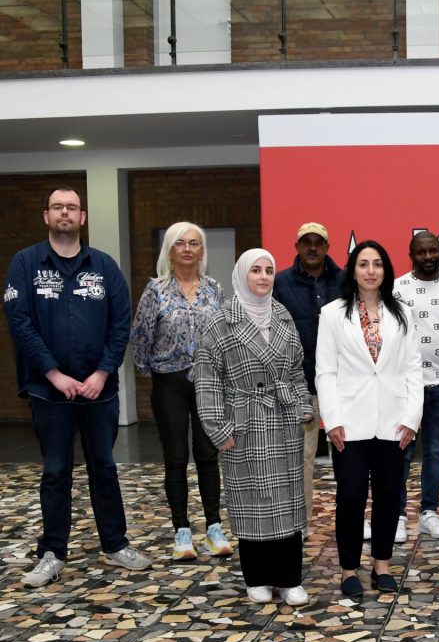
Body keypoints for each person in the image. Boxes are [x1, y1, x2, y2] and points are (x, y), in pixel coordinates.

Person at [4, 186, 152, 588]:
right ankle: (52, 553)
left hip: (97, 391)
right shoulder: (25, 265)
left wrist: (102, 373)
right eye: (57, 207)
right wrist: (54, 373)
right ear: (46, 216)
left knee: (104, 468)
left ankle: (116, 544)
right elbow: (20, 323)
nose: (65, 213)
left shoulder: (104, 267)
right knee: (55, 472)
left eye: (71, 208)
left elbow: (121, 324)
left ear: (82, 217)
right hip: (48, 392)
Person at [195, 248, 312, 606]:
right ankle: (257, 577)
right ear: (241, 275)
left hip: (282, 420)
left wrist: (303, 405)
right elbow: (207, 379)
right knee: (251, 503)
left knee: (287, 501)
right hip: (242, 422)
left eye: (269, 270)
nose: (263, 277)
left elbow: (295, 369)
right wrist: (218, 427)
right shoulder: (220, 322)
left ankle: (290, 578)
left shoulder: (282, 316)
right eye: (255, 271)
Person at [316, 241, 422, 598]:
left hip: (394, 421)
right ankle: (349, 569)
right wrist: (331, 420)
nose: (371, 270)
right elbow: (325, 372)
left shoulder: (403, 313)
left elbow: (413, 370)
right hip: (349, 422)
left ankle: (381, 565)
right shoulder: (332, 314)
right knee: (351, 496)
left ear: (386, 270)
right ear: (353, 269)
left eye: (377, 264)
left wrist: (411, 418)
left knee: (390, 495)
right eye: (363, 264)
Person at [131, 221, 231, 561]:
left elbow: (224, 335)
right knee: (175, 458)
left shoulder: (216, 290)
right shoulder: (155, 291)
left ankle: (214, 528)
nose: (187, 249)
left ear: (202, 251)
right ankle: (182, 531)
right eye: (180, 244)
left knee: (207, 454)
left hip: (207, 382)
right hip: (169, 383)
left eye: (194, 243)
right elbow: (140, 338)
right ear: (170, 251)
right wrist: (151, 373)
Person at [272, 222, 346, 528]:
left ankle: (351, 518)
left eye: (319, 242)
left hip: (343, 384)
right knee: (303, 458)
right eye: (306, 242)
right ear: (297, 246)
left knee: (348, 457)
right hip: (302, 385)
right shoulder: (281, 283)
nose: (312, 248)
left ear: (328, 247)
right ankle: (300, 522)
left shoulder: (345, 280)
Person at [393, 231, 439, 543]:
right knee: (402, 452)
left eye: (434, 251)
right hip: (406, 386)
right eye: (422, 252)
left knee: (435, 451)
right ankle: (398, 515)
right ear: (411, 254)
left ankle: (429, 512)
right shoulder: (396, 289)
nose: (429, 257)